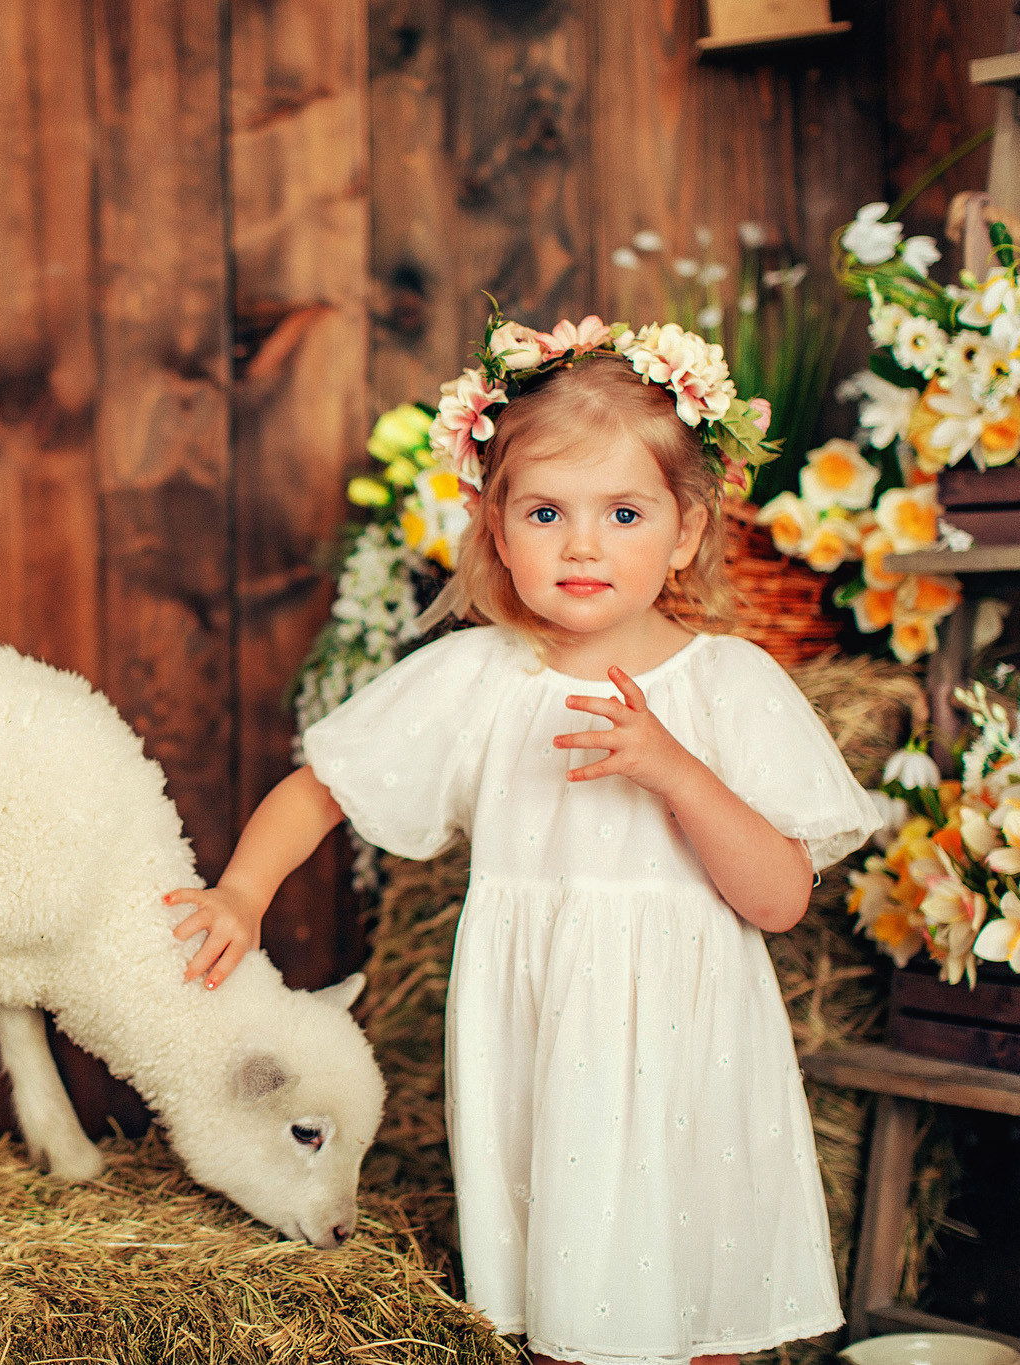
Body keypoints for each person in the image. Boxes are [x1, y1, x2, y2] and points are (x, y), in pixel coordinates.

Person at [164, 316, 882, 1365]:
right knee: (562, 1299)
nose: (581, 544)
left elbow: (777, 898)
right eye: (545, 512)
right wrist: (241, 892)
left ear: (685, 531)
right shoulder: (480, 679)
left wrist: (674, 769)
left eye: (623, 513)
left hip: (691, 1049)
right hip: (543, 1041)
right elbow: (320, 789)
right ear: (496, 528)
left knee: (699, 1303)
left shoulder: (731, 686)